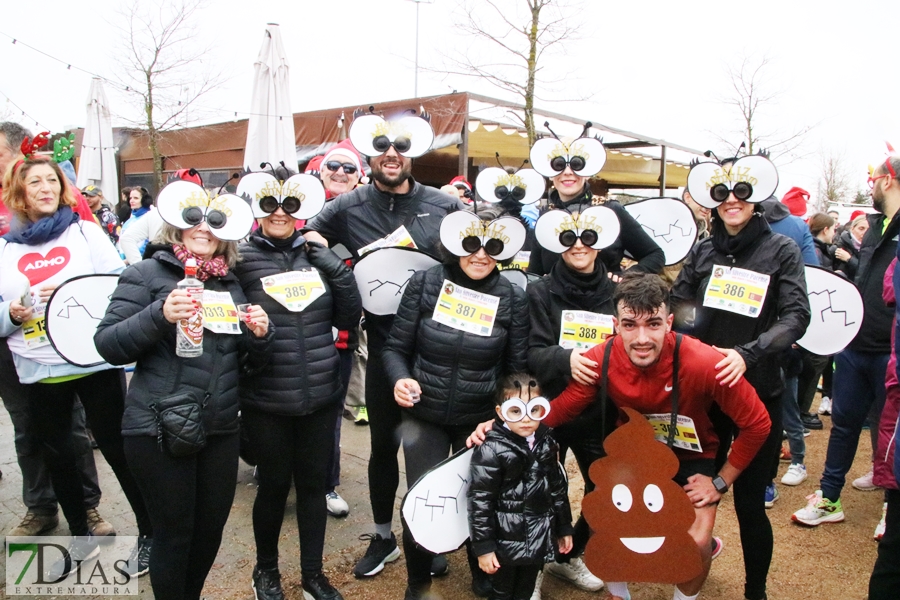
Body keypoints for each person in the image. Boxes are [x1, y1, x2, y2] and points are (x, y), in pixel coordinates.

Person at [470, 273, 771, 600]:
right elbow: (563, 409)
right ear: (616, 325)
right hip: (632, 456)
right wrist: (503, 425)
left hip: (691, 456)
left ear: (670, 323)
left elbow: (757, 423)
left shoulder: (704, 362)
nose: (642, 337)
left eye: (653, 324)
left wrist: (720, 482)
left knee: (695, 543)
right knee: (606, 529)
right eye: (630, 325)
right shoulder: (603, 358)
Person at [303, 113, 461, 580]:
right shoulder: (349, 205)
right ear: (369, 153)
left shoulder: (443, 205)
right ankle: (383, 536)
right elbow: (308, 236)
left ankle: (428, 535)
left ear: (413, 153)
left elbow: (477, 256)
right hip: (383, 346)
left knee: (428, 452)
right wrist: (343, 272)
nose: (392, 154)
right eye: (382, 147)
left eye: (401, 147)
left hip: (435, 348)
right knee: (381, 448)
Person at [95, 185, 273, 600]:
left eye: (213, 223)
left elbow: (248, 366)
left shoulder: (231, 286)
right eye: (194, 219)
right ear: (176, 225)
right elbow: (107, 344)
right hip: (157, 426)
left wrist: (261, 336)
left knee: (209, 533)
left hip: (219, 428)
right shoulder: (145, 274)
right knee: (174, 535)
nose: (203, 229)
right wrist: (159, 314)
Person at [0, 155, 152, 577]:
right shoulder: (5, 248)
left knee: (120, 449)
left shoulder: (85, 231)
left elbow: (119, 283)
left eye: (52, 180)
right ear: (21, 194)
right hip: (39, 367)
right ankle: (81, 535)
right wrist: (13, 313)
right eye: (36, 183)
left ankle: (149, 532)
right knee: (59, 456)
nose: (46, 188)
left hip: (93, 360)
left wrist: (72, 294)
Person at [671, 154, 809, 600]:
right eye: (721, 193)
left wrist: (747, 354)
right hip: (703, 395)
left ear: (756, 198)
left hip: (757, 391)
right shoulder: (704, 249)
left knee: (750, 503)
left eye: (741, 192)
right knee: (688, 492)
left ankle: (756, 591)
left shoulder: (782, 249)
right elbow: (680, 303)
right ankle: (685, 579)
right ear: (711, 200)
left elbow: (795, 316)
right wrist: (692, 336)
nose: (731, 200)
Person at [382, 212, 529, 599]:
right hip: (424, 415)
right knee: (421, 497)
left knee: (479, 497)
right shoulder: (427, 282)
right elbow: (395, 347)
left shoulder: (513, 297)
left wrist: (497, 417)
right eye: (471, 245)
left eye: (492, 247)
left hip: (478, 419)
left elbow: (516, 371)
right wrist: (400, 379)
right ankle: (419, 581)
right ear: (454, 244)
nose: (480, 255)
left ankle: (483, 568)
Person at [234, 166, 361, 600]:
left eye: (289, 205)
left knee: (311, 486)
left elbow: (349, 314)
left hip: (321, 394)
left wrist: (328, 258)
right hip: (267, 396)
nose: (280, 213)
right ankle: (265, 571)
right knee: (272, 486)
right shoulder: (241, 256)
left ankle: (312, 575)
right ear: (257, 208)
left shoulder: (318, 253)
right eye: (269, 204)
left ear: (301, 208)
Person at [792, 156, 900, 526]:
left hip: (892, 351)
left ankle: (892, 506)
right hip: (855, 346)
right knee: (844, 423)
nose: (869, 186)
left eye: (874, 179)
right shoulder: (873, 227)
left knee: (891, 429)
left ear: (888, 181)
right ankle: (830, 498)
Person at [524, 208, 613, 596]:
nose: (579, 245)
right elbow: (532, 351)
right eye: (569, 238)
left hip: (602, 410)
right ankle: (535, 565)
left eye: (587, 237)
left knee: (606, 489)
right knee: (541, 489)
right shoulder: (540, 290)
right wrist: (567, 358)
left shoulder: (617, 291)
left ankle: (569, 554)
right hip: (553, 407)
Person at [468, 374, 574, 600]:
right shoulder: (490, 449)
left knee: (525, 591)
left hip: (537, 538)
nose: (526, 419)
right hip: (504, 542)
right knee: (502, 592)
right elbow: (480, 501)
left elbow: (557, 487)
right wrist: (484, 546)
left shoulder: (547, 442)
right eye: (516, 411)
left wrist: (563, 527)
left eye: (533, 410)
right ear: (500, 412)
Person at [525, 143, 664, 276]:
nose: (567, 172)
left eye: (576, 165)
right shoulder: (546, 216)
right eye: (559, 165)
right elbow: (535, 272)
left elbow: (654, 255)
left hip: (606, 298)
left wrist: (626, 278)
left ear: (588, 171)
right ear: (549, 172)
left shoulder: (610, 210)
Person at [317, 140, 366, 517]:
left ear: (359, 176)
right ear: (321, 169)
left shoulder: (363, 221)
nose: (340, 172)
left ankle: (326, 484)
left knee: (331, 410)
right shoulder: (296, 214)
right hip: (294, 333)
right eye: (334, 165)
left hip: (343, 334)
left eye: (349, 168)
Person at [119, 186, 163, 264]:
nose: (132, 201)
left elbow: (147, 245)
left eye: (136, 198)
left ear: (144, 200)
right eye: (130, 198)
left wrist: (130, 261)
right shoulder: (129, 220)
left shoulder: (150, 217)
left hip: (141, 262)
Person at [835, 214, 868, 279]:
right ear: (852, 229)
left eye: (868, 230)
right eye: (861, 229)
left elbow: (866, 272)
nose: (865, 233)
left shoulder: (872, 248)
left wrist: (850, 259)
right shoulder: (840, 246)